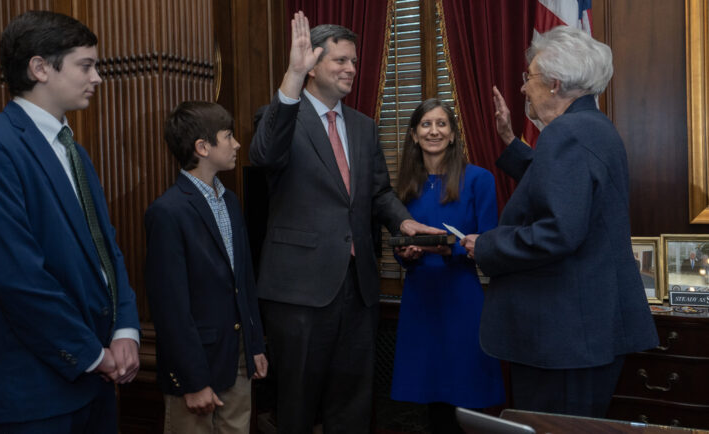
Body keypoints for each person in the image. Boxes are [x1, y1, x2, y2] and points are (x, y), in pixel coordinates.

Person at [249, 11, 442, 433]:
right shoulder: (278, 116)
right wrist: (292, 77)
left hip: (357, 289)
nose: (352, 68)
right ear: (312, 65)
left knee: (352, 406)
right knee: (296, 408)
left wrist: (403, 222)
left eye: (354, 61)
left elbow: (379, 192)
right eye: (340, 60)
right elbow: (263, 155)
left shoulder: (363, 126)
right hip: (299, 292)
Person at [0, 11, 140, 432]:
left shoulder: (74, 149)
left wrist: (125, 327)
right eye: (86, 65)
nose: (97, 78)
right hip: (34, 390)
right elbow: (17, 276)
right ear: (40, 68)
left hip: (97, 381)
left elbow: (106, 248)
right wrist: (91, 354)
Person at [460, 25, 658, 418]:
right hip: (586, 329)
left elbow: (558, 231)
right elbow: (566, 188)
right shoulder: (594, 128)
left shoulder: (565, 133)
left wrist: (486, 246)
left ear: (553, 84)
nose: (523, 88)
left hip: (563, 335)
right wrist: (511, 144)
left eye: (529, 77)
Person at [145, 101, 268, 433]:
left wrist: (255, 345)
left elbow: (244, 280)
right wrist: (193, 380)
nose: (237, 144)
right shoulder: (168, 212)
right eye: (228, 136)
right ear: (202, 147)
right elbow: (170, 307)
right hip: (196, 362)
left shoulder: (231, 201)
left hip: (238, 356)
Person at [390, 99, 505, 434]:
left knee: (467, 393)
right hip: (420, 298)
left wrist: (449, 249)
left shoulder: (480, 180)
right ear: (414, 135)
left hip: (462, 298)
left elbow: (489, 245)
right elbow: (398, 246)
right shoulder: (405, 186)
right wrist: (406, 254)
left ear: (453, 134)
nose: (434, 131)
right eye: (426, 124)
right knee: (432, 400)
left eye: (442, 124)